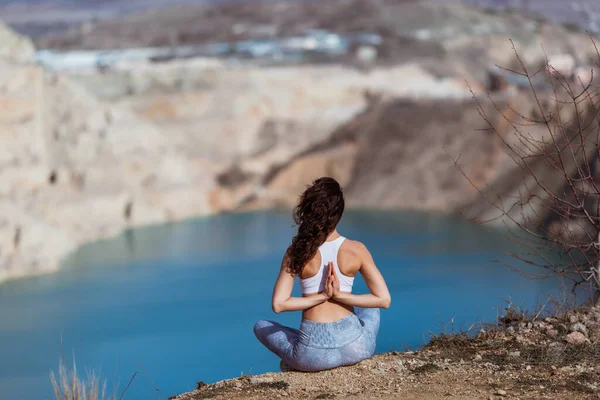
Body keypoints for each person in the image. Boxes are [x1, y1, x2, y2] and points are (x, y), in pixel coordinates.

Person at [253, 177, 391, 372]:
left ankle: (300, 347)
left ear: (308, 211)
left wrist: (320, 297)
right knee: (371, 310)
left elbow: (279, 304)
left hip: (312, 354)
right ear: (339, 214)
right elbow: (383, 300)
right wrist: (340, 296)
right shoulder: (357, 249)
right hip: (356, 347)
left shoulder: (297, 252)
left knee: (261, 326)